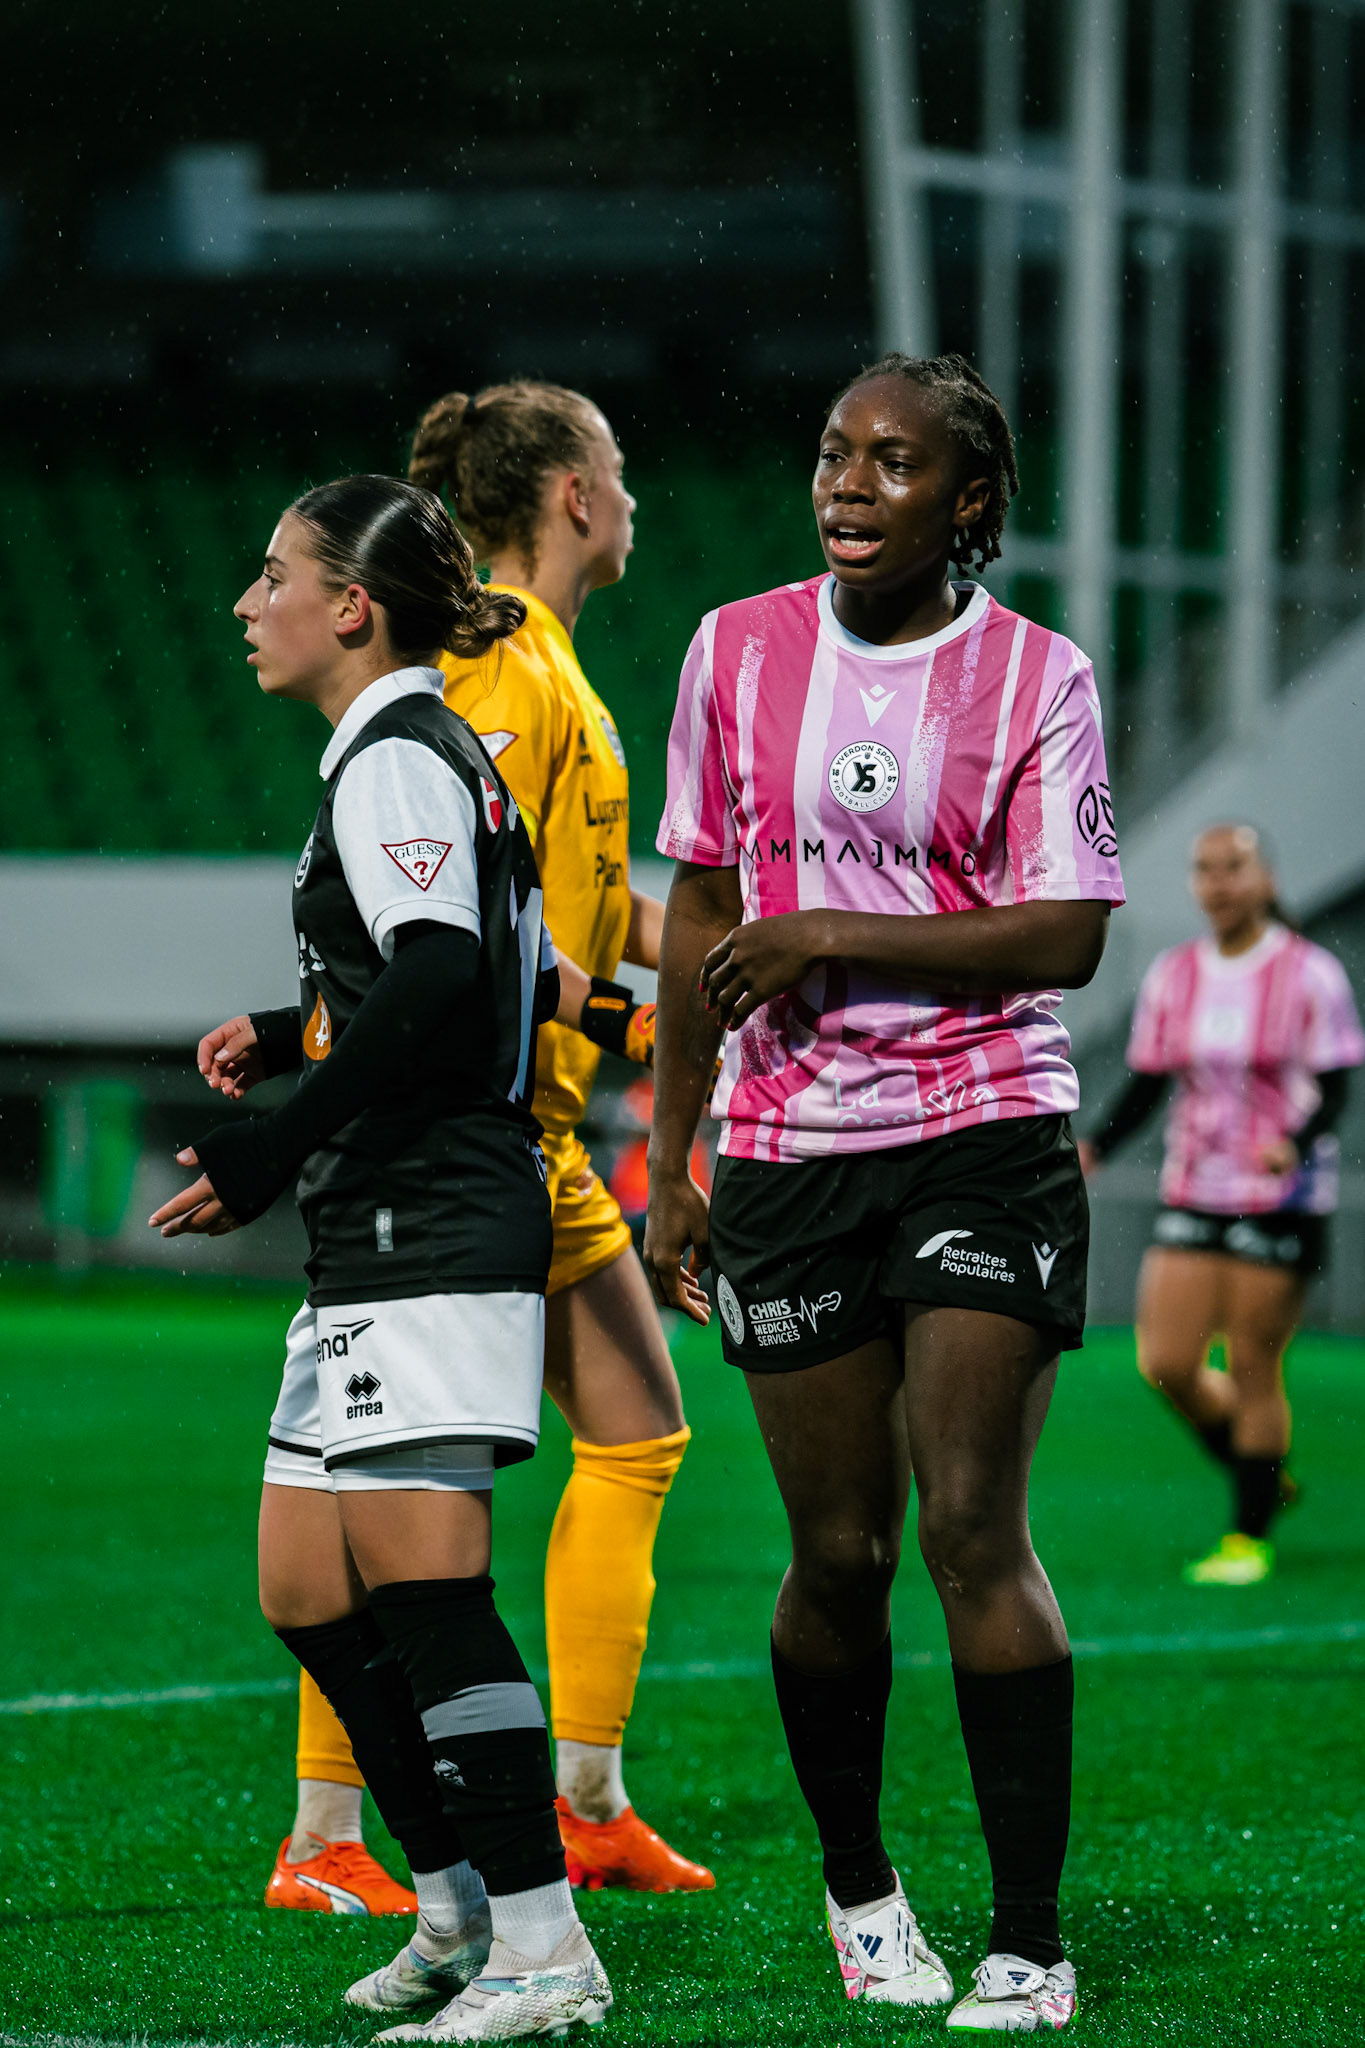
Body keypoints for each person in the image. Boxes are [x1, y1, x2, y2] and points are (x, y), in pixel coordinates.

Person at [643, 352, 1125, 2034]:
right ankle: (862, 1890)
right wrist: (674, 1150)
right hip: (785, 1143)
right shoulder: (735, 647)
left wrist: (836, 930)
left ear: (967, 504)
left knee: (972, 1521)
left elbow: (1065, 932)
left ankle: (1031, 1936)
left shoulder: (1036, 676)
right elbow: (703, 907)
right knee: (835, 1554)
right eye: (836, 452)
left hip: (982, 1121)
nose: (848, 483)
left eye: (894, 462)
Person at [154, 474, 612, 2040]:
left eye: (271, 573)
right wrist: (294, 1031)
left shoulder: (399, 758)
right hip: (378, 1221)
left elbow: (441, 975)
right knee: (305, 1588)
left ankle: (548, 1953)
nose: (246, 601)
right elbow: (514, 974)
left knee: (430, 1591)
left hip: (431, 1211)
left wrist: (272, 1139)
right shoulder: (427, 755)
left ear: (352, 607)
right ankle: (460, 1902)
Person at [269, 378, 713, 1907]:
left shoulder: (550, 669)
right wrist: (644, 1031)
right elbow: (466, 932)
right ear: (575, 493)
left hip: (514, 1118)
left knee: (431, 1473)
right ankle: (461, 1829)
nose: (637, 495)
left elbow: (560, 906)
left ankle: (411, 1827)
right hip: (491, 1136)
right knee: (429, 1498)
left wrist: (719, 959)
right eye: (622, 464)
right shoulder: (507, 674)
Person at [1080, 823, 1362, 1585]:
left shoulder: (1308, 975)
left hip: (1280, 1194)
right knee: (1165, 1361)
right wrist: (1093, 1146)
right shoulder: (1176, 975)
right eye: (1204, 870)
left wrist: (1294, 1143)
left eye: (1232, 868)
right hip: (1193, 1187)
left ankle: (1246, 1537)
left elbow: (1334, 1083)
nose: (1217, 882)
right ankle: (1264, 1475)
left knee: (1251, 1364)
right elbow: (1146, 1080)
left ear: (1264, 878)